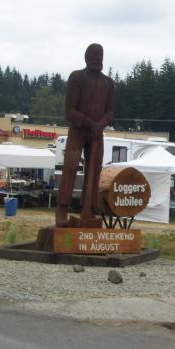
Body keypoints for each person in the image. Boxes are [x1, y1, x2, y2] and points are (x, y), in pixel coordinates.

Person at [56, 43, 115, 227]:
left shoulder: (108, 83)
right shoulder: (77, 77)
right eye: (94, 55)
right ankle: (63, 208)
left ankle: (88, 208)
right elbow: (69, 111)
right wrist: (91, 123)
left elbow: (111, 111)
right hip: (79, 130)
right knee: (70, 166)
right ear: (86, 57)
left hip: (97, 133)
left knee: (94, 170)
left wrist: (102, 124)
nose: (98, 58)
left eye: (100, 55)